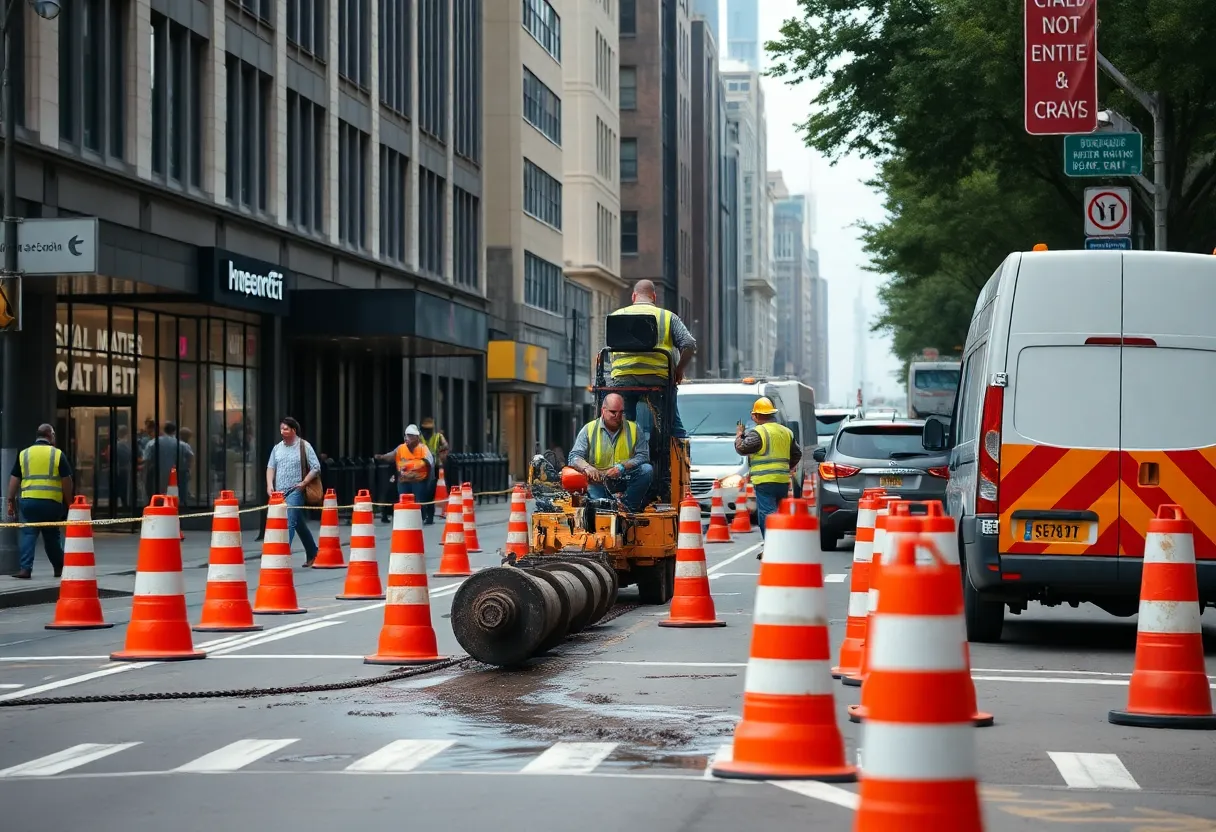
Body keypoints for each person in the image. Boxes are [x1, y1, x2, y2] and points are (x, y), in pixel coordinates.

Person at [607, 280, 695, 440]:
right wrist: (679, 370)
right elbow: (689, 344)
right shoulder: (667, 317)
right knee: (669, 423)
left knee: (623, 422)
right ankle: (671, 450)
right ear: (654, 296)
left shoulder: (615, 316)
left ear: (634, 296)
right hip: (658, 379)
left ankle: (624, 449)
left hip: (623, 380)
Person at [5, 424, 74, 579]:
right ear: (50, 435)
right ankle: (59, 567)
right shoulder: (57, 454)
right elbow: (66, 480)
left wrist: (11, 501)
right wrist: (69, 502)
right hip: (51, 504)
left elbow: (14, 479)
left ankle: (25, 569)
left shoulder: (24, 454)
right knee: (51, 536)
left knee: (28, 534)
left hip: (29, 502)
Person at [735, 397, 802, 551]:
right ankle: (782, 544)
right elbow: (797, 454)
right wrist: (787, 467)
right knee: (780, 513)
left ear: (756, 416)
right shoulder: (786, 432)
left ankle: (772, 547)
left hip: (764, 480)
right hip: (782, 480)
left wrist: (739, 434)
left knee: (766, 514)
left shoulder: (758, 432)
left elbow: (742, 448)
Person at [567, 393, 653, 512]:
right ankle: (608, 507)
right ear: (603, 410)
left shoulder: (634, 429)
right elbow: (574, 457)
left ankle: (626, 507)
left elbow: (643, 456)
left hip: (625, 479)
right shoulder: (589, 429)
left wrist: (622, 467)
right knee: (602, 509)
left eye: (621, 412)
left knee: (646, 470)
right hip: (599, 482)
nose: (618, 416)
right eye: (613, 412)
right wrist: (587, 468)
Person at [265, 416, 321, 568]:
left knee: (289, 522)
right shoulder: (277, 448)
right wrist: (270, 485)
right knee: (298, 523)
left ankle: (281, 556)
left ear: (293, 430)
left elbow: (316, 467)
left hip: (296, 490)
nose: (282, 431)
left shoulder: (304, 446)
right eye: (281, 428)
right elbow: (271, 467)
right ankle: (313, 552)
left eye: (286, 429)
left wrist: (303, 483)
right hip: (280, 493)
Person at [375, 425, 433, 512]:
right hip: (403, 482)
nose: (406, 438)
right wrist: (382, 457)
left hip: (418, 482)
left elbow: (430, 463)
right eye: (406, 435)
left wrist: (427, 478)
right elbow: (391, 455)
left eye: (409, 436)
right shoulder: (401, 448)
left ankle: (420, 519)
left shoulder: (423, 449)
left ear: (416, 437)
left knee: (418, 504)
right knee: (404, 504)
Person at [419, 417, 449, 525]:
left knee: (430, 493)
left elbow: (446, 445)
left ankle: (429, 517)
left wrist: (440, 450)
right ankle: (423, 516)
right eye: (425, 429)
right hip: (420, 467)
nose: (427, 432)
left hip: (433, 467)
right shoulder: (419, 437)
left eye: (429, 430)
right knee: (421, 492)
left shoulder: (438, 437)